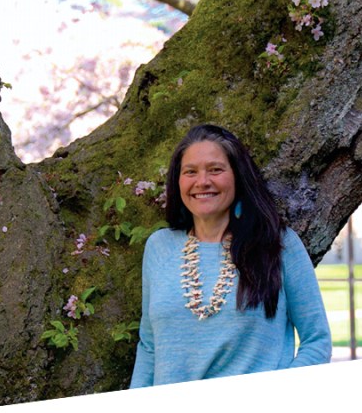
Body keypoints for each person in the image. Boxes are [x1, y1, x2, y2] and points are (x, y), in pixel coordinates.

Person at [130, 123, 331, 388]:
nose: (202, 182)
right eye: (190, 172)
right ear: (178, 181)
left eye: (215, 170)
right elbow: (149, 347)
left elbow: (316, 340)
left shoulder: (277, 243)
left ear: (237, 176)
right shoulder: (159, 247)